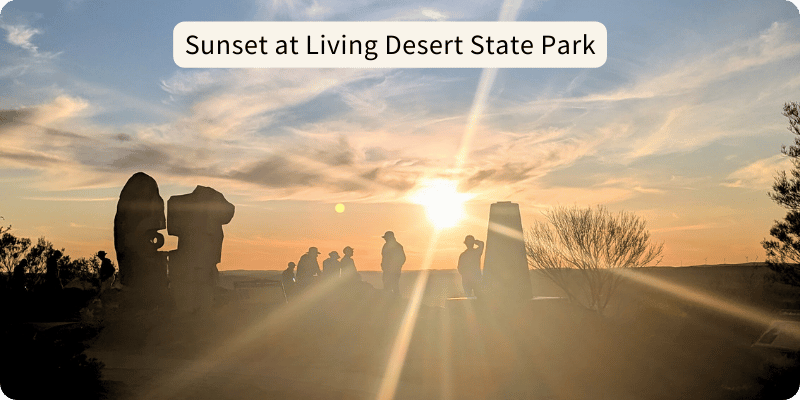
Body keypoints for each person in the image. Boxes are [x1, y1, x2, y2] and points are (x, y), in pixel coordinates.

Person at [380, 231, 405, 296]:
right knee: (388, 286)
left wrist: (396, 266)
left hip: (393, 270)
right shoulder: (387, 246)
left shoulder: (397, 246)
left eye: (386, 238)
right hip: (388, 270)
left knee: (394, 286)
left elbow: (402, 258)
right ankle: (391, 301)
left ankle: (395, 301)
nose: (385, 239)